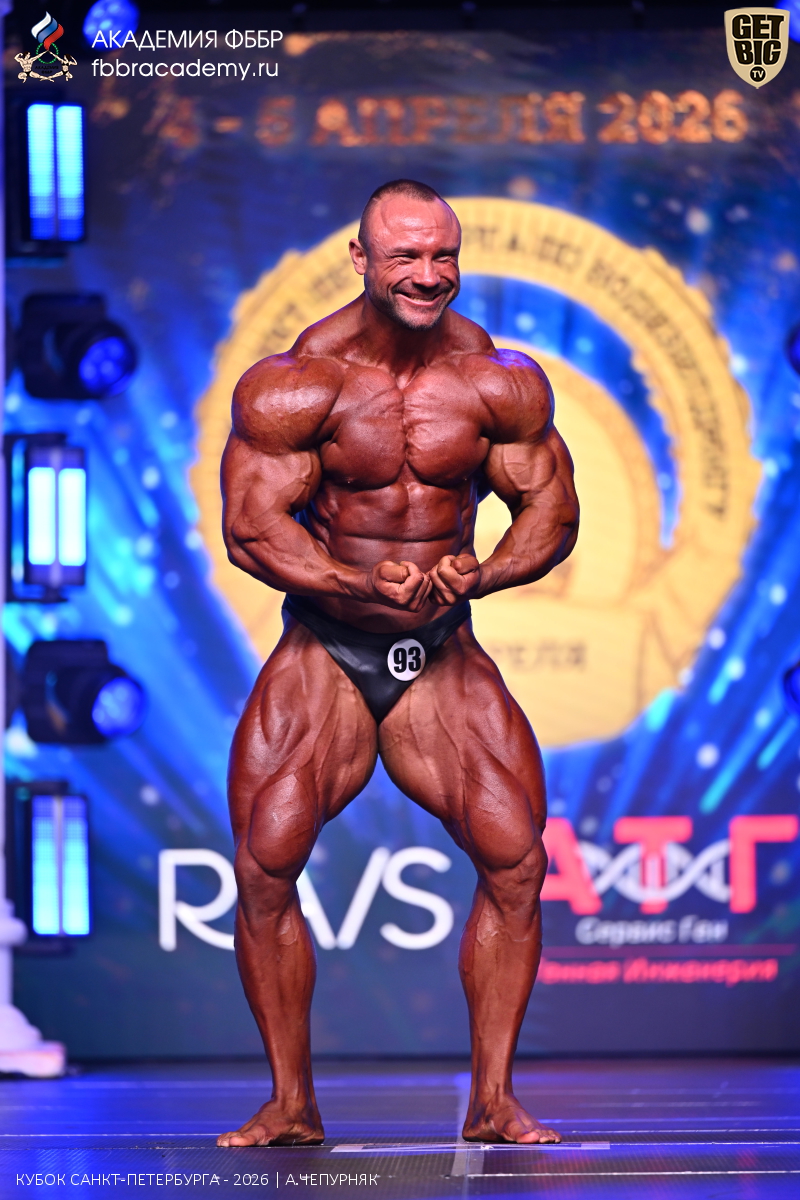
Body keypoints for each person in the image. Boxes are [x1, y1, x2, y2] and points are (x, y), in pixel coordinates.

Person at [217, 180, 579, 1148]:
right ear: (362, 259)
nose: (427, 274)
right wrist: (349, 580)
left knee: (516, 860)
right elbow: (251, 531)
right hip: (326, 647)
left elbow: (551, 512)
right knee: (264, 864)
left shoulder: (499, 380)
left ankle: (492, 1101)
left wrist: (483, 574)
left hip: (442, 647)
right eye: (406, 256)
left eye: (442, 255)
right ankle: (290, 1104)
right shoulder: (297, 384)